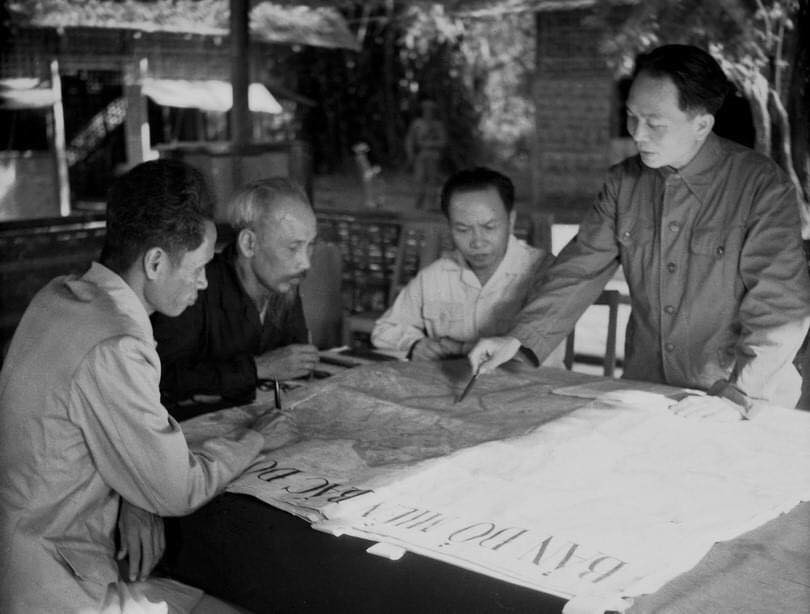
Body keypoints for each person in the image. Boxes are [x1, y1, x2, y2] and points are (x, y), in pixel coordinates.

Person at [469, 44, 810, 418]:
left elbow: (779, 304)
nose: (637, 134)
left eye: (655, 123)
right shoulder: (623, 183)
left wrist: (740, 396)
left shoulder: (760, 186)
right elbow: (577, 269)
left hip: (740, 396)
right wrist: (518, 338)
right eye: (631, 117)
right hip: (650, 389)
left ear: (701, 124)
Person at [0, 159, 265, 613]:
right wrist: (257, 438)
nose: (203, 282)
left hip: (20, 556)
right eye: (199, 267)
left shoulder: (57, 296)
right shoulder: (117, 342)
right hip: (57, 587)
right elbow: (175, 490)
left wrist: (131, 496)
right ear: (156, 262)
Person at [152, 177, 319, 420]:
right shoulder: (196, 286)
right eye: (293, 248)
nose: (306, 263)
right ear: (249, 243)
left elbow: (294, 367)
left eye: (310, 246)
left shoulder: (283, 284)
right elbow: (161, 377)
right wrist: (258, 368)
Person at [372, 167, 563, 366]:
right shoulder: (436, 276)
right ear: (449, 226)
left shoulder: (544, 271)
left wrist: (460, 349)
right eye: (463, 229)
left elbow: (541, 351)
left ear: (511, 220)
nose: (477, 242)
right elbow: (385, 329)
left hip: (530, 390)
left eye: (489, 227)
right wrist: (414, 345)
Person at [405, 97, 447, 210]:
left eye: (431, 110)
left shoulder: (438, 125)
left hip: (433, 156)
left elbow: (443, 142)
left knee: (432, 180)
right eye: (426, 110)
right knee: (419, 179)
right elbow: (410, 140)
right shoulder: (417, 124)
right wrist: (410, 154)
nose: (428, 112)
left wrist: (431, 144)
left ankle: (431, 206)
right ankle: (418, 203)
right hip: (420, 156)